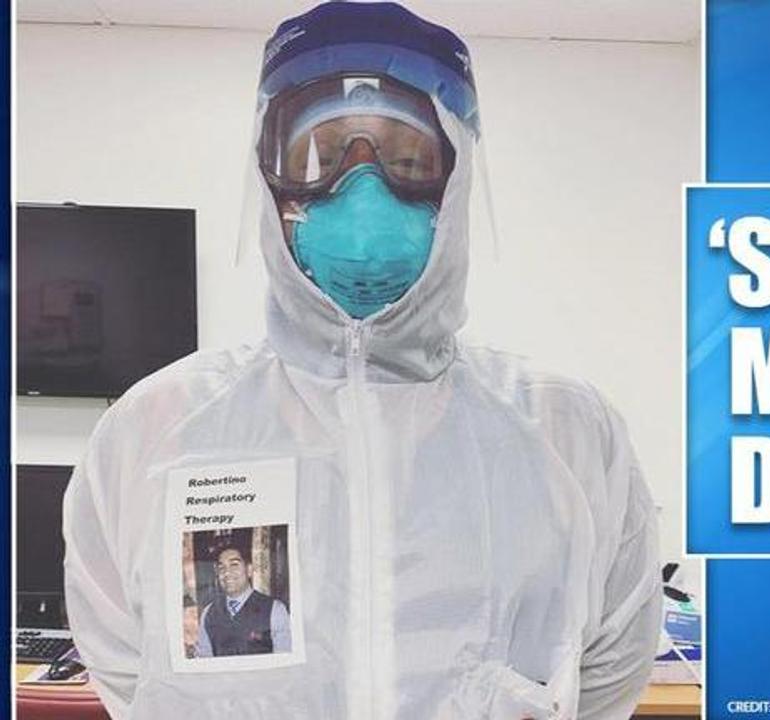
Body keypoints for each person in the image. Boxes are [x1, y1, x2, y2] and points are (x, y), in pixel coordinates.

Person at [63, 2, 661, 718]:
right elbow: (129, 671)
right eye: (321, 160)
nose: (364, 192)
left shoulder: (566, 431)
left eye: (407, 161)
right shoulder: (155, 430)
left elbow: (609, 670)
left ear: (457, 183)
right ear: (271, 183)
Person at [192, 543, 292, 658]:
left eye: (234, 565)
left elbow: (284, 659)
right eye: (221, 568)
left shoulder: (275, 609)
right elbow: (204, 658)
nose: (227, 573)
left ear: (249, 570)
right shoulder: (208, 613)